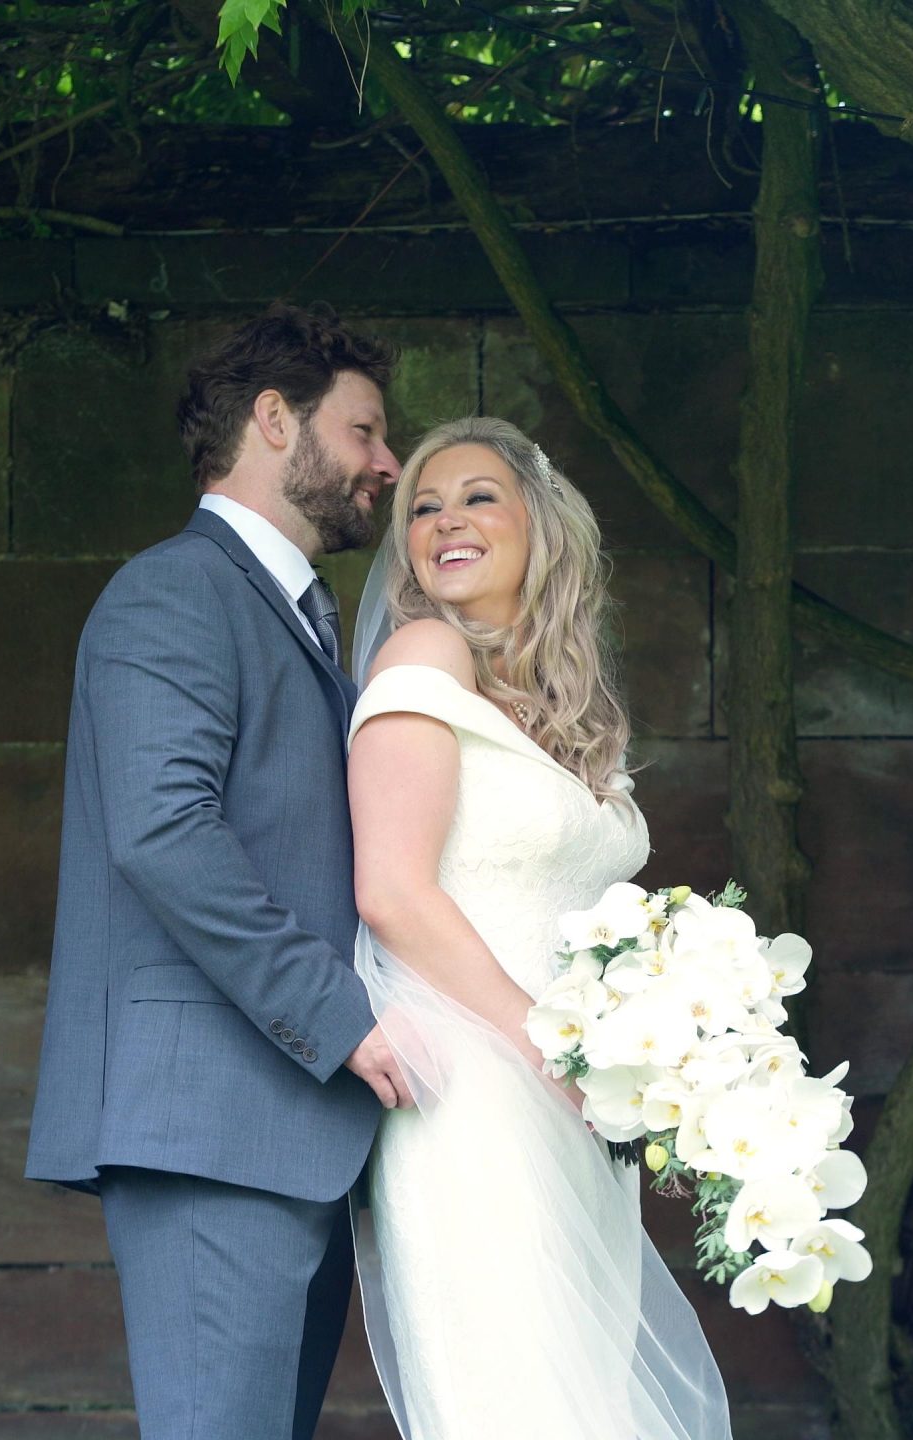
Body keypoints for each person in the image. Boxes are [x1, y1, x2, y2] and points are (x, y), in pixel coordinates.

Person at [23, 303, 413, 1440]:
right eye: (365, 432)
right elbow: (166, 834)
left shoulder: (303, 614)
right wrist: (343, 1018)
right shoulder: (175, 592)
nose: (387, 464)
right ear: (274, 418)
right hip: (212, 1125)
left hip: (286, 1130)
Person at [342, 416, 732, 1438]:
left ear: (540, 523)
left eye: (476, 495)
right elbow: (390, 889)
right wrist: (551, 1046)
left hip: (567, 1098)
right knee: (517, 1395)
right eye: (421, 506)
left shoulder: (556, 701)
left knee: (579, 1389)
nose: (442, 521)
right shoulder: (423, 651)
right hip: (477, 1089)